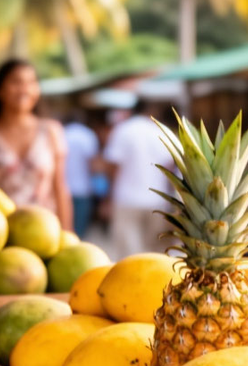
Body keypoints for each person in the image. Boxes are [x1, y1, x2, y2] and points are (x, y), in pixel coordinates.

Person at [0, 59, 72, 228]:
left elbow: (60, 187)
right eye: (16, 82)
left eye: (31, 82)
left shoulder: (51, 131)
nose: (25, 89)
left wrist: (68, 231)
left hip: (44, 231)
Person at [101, 100, 175, 258]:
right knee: (157, 255)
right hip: (158, 202)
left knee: (129, 256)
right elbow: (172, 169)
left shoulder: (123, 130)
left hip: (127, 201)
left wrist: (108, 198)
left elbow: (114, 167)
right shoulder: (163, 132)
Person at [63, 110, 100, 238]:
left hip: (62, 187)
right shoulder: (87, 135)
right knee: (79, 230)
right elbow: (93, 164)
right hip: (83, 188)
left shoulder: (62, 132)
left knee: (64, 228)